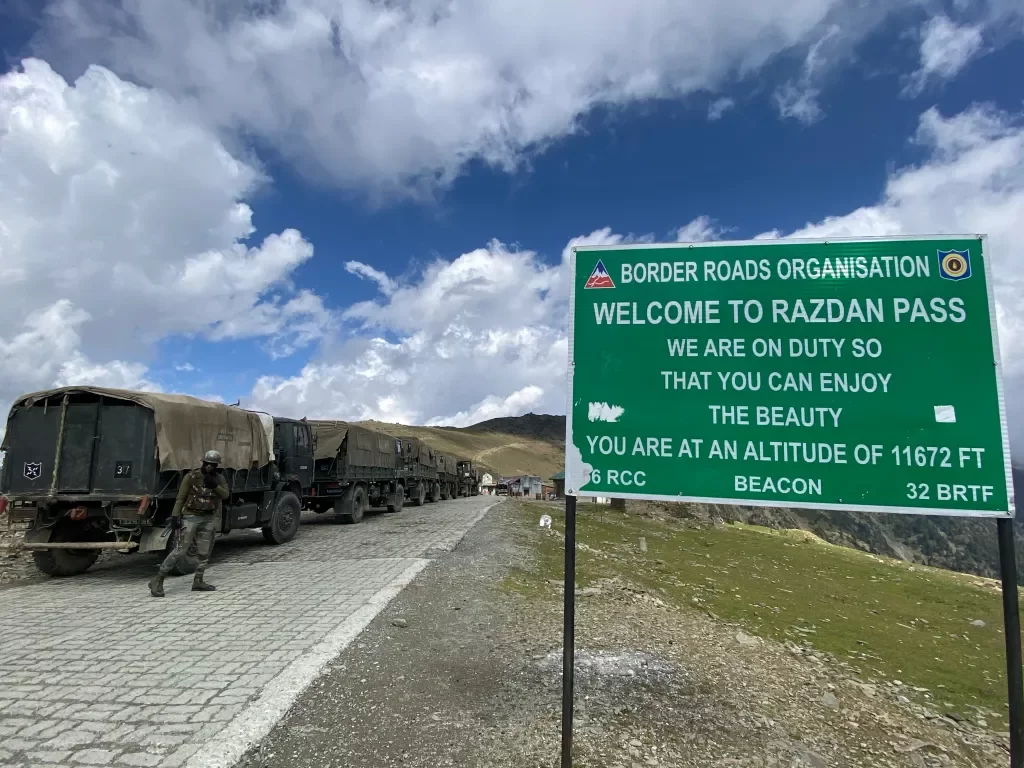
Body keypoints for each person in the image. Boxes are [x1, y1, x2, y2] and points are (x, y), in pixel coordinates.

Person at [148, 449, 229, 597]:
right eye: (208, 464)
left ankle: (198, 580)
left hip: (208, 518)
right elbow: (181, 497)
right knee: (180, 550)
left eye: (213, 465)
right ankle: (158, 579)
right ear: (203, 463)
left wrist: (214, 486)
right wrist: (175, 516)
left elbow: (225, 495)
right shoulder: (191, 477)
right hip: (191, 517)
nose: (210, 467)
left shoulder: (219, 478)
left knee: (204, 552)